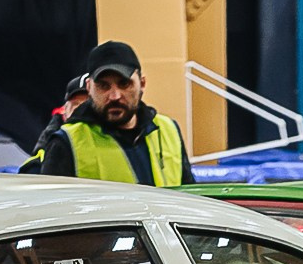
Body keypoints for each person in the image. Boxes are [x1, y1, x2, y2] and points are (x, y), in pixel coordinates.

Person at [36, 41, 194, 185]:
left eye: (124, 84)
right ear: (89, 87)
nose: (115, 96)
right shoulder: (66, 142)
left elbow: (190, 197)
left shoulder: (168, 130)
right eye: (103, 86)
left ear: (142, 83)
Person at [16, 74, 87, 174]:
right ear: (64, 111)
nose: (81, 110)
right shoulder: (40, 160)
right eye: (76, 104)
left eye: (87, 104)